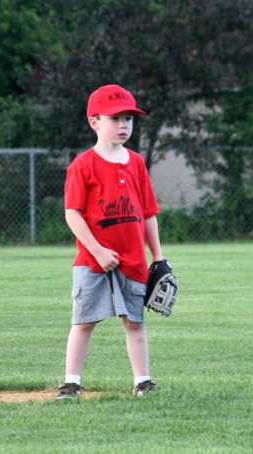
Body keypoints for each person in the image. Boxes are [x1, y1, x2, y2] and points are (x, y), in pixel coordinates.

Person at [57, 84, 164, 399]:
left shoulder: (137, 163)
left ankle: (143, 380)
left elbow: (148, 213)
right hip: (92, 261)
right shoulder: (83, 165)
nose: (124, 125)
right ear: (94, 122)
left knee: (134, 322)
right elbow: (73, 215)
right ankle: (72, 381)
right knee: (84, 322)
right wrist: (99, 250)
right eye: (115, 118)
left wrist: (157, 257)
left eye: (129, 118)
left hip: (133, 260)